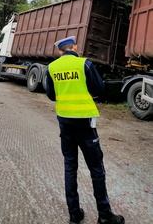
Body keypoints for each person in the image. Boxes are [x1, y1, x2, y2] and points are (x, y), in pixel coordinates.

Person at [46, 36, 125, 224]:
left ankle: (74, 214)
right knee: (96, 167)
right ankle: (105, 215)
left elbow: (51, 95)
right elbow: (99, 89)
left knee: (70, 166)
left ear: (59, 51)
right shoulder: (85, 64)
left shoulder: (51, 68)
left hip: (64, 122)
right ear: (75, 47)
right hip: (85, 123)